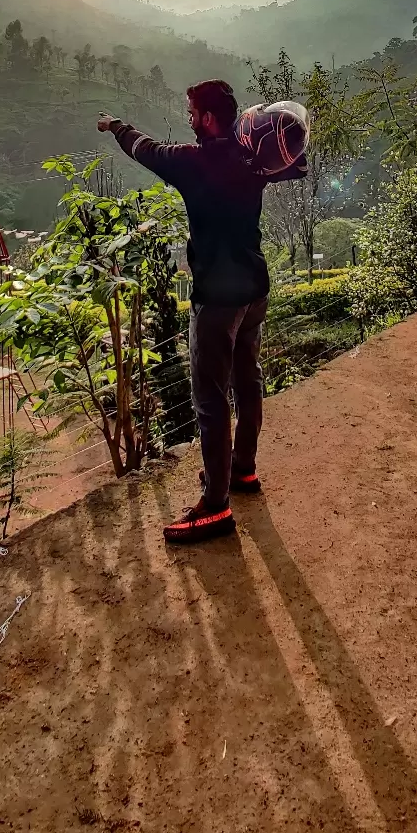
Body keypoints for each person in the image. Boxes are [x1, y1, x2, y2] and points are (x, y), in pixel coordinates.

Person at [98, 79, 306, 545]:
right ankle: (243, 472)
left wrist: (115, 125)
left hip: (216, 298)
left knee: (210, 401)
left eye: (192, 112)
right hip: (255, 289)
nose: (189, 120)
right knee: (248, 379)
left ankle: (214, 506)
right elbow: (295, 162)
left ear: (207, 118)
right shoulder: (256, 157)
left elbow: (145, 149)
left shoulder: (195, 163)